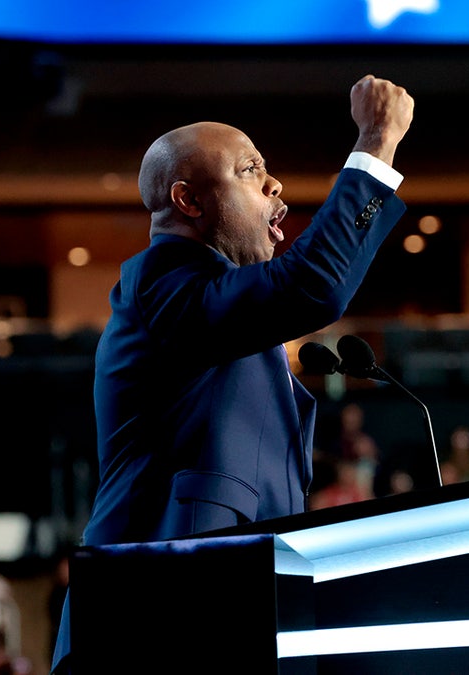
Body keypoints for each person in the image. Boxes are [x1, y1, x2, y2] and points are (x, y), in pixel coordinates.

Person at [51, 74, 413, 673]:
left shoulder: (228, 318)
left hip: (227, 619)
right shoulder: (161, 282)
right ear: (189, 200)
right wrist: (375, 144)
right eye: (250, 171)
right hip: (154, 624)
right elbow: (311, 286)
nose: (275, 185)